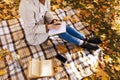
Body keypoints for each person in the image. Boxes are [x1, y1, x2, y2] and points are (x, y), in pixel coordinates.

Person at [19, 0, 99, 51]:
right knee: (59, 30)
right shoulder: (27, 6)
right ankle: (82, 44)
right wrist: (50, 27)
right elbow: (31, 29)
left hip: (44, 23)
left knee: (62, 26)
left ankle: (84, 38)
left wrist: (53, 20)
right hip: (35, 35)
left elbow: (46, 12)